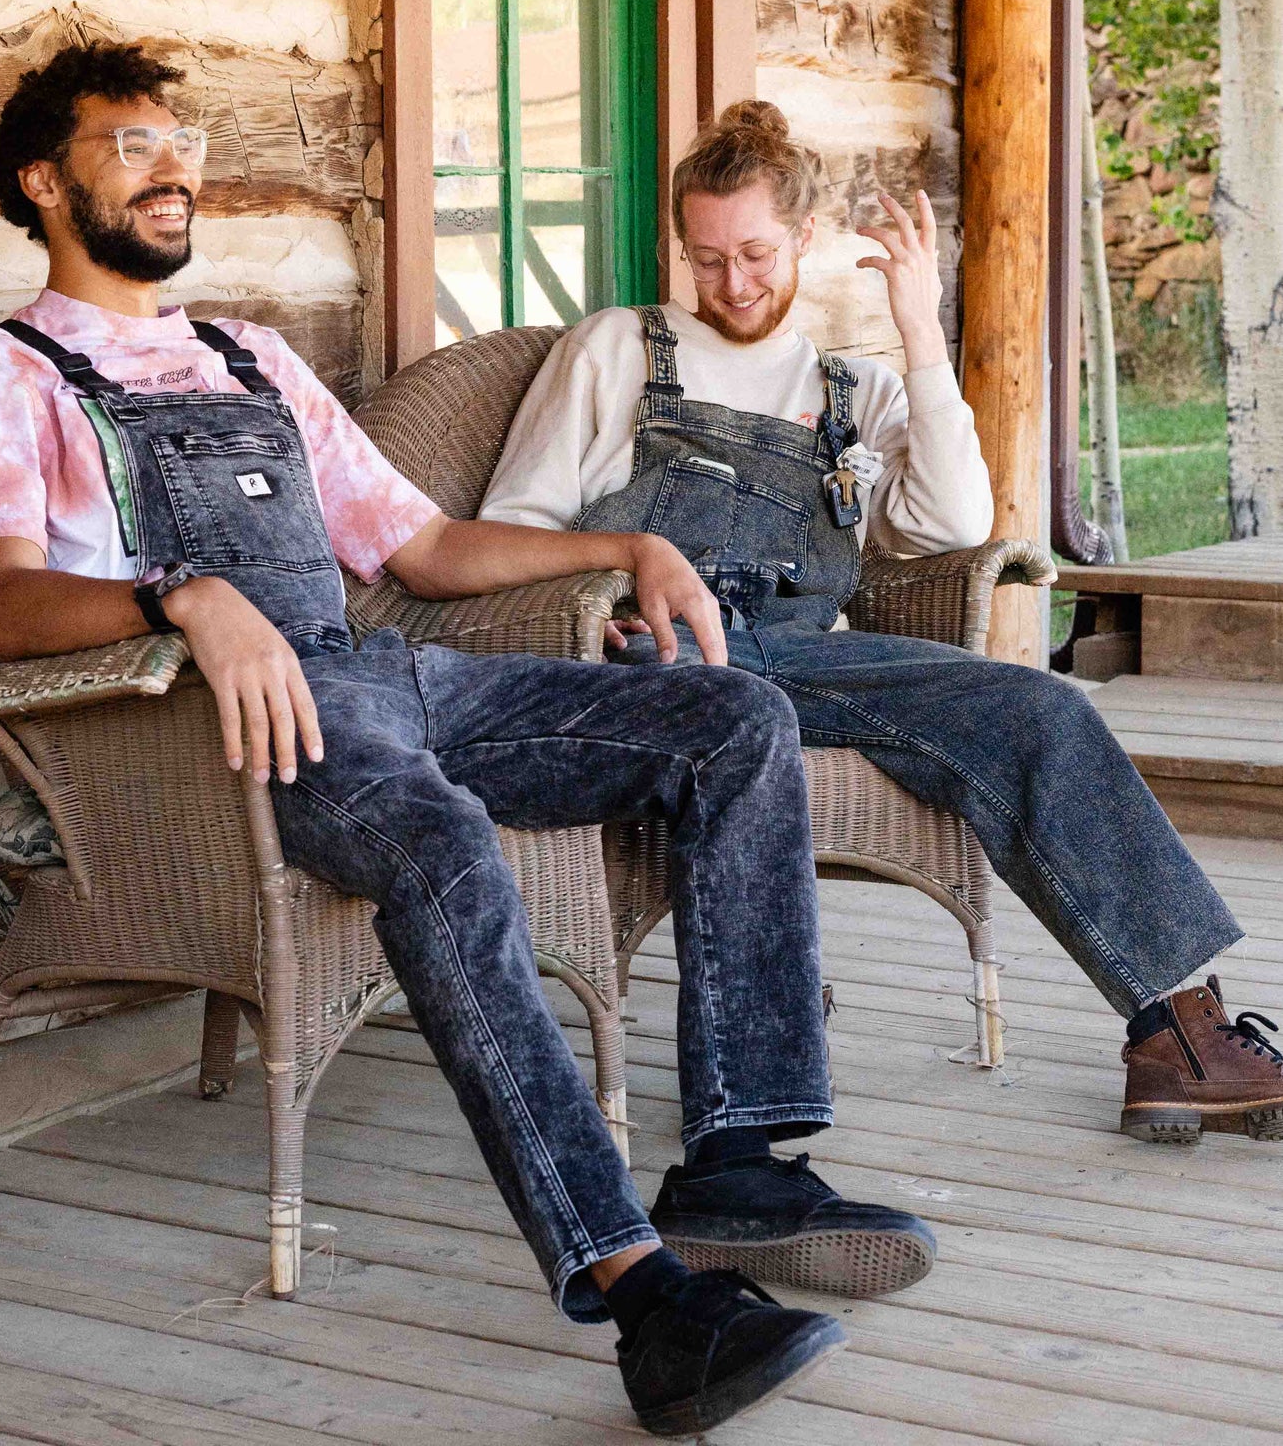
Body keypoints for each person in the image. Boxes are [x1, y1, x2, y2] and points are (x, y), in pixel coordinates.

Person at [0, 45, 940, 1439]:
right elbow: (6, 603)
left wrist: (629, 541)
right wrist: (184, 593)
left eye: (183, 138)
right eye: (131, 142)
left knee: (734, 718)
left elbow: (426, 543)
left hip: (387, 677)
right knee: (441, 837)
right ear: (43, 180)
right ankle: (641, 1294)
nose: (174, 165)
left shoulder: (244, 353)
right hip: (233, 734)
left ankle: (742, 1152)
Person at [482, 99, 1283, 1149]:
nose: (731, 283)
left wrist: (920, 332)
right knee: (864, 711)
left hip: (803, 652)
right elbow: (503, 536)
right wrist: (628, 565)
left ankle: (1176, 1029)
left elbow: (949, 523)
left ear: (803, 239)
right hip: (651, 649)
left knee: (1035, 707)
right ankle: (1167, 1038)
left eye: (755, 254)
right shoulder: (616, 351)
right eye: (706, 258)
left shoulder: (851, 389)